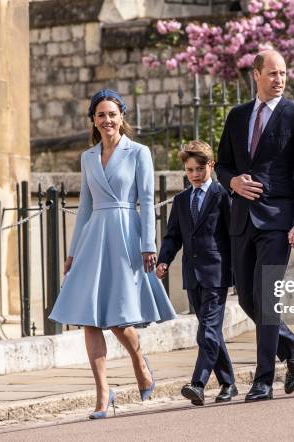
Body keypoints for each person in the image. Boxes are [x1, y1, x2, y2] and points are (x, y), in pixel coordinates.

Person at [48, 89, 176, 419]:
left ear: (122, 118)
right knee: (89, 317)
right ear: (93, 119)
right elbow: (87, 206)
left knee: (118, 317)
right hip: (93, 239)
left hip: (125, 234)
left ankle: (138, 362)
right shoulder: (87, 157)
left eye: (112, 114)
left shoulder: (139, 153)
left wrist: (148, 244)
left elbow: (146, 201)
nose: (107, 120)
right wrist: (73, 253)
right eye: (101, 115)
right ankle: (103, 394)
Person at [215, 50, 294, 401]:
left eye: (284, 73)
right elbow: (222, 165)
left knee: (266, 297)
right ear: (255, 75)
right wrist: (233, 183)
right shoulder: (237, 116)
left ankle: (263, 380)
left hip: (278, 222)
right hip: (242, 220)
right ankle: (293, 346)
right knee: (246, 297)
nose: (280, 79)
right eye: (272, 73)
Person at [156, 140, 237, 406]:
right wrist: (164, 260)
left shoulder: (222, 195)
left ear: (210, 166)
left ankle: (198, 383)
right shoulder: (181, 200)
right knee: (210, 331)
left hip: (217, 272)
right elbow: (173, 236)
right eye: (189, 170)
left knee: (207, 332)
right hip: (192, 275)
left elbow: (232, 235)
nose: (194, 175)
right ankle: (228, 384)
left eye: (199, 169)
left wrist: (237, 270)